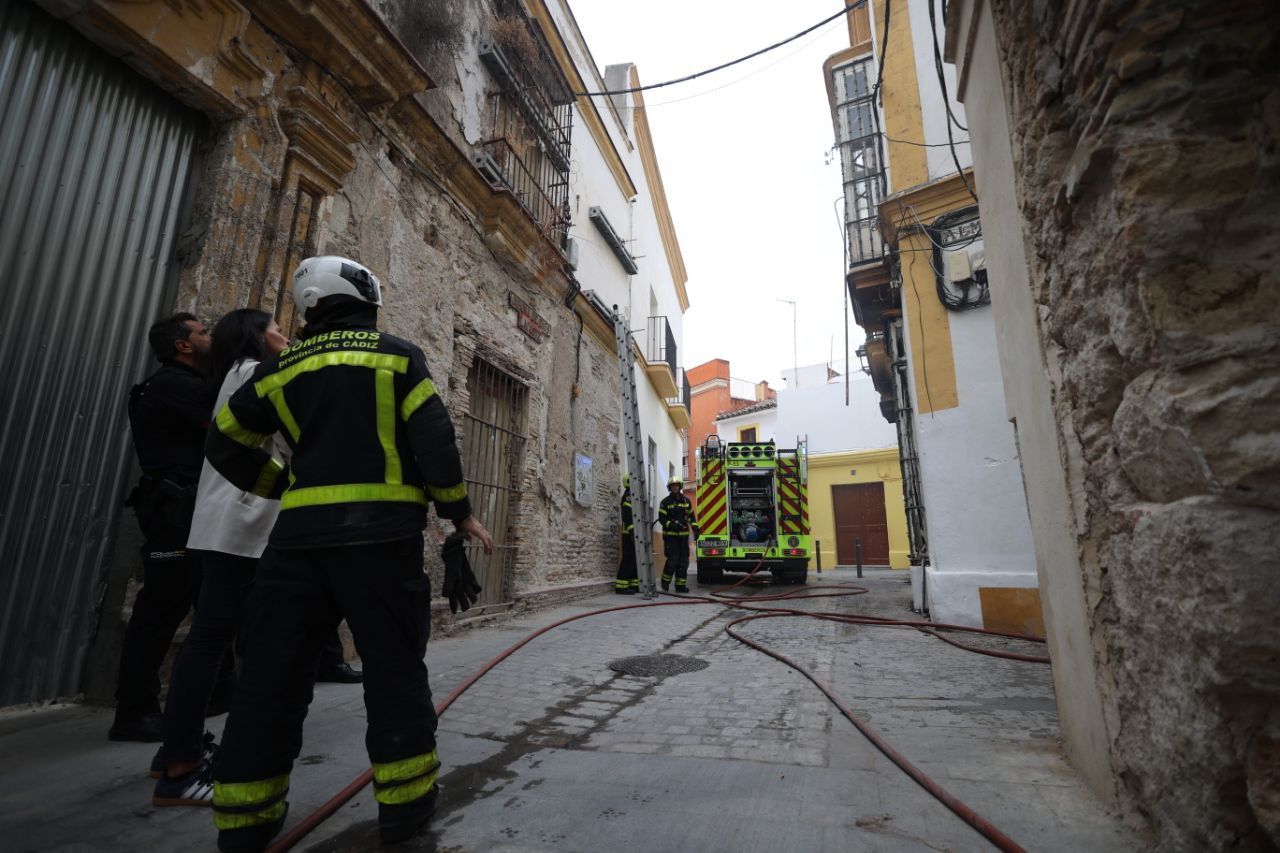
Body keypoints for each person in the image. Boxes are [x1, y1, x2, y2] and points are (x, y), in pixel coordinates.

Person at [203, 256, 493, 851]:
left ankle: (245, 820)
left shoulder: (279, 369)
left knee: (269, 679)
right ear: (365, 301)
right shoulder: (396, 355)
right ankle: (404, 811)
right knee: (393, 674)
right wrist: (456, 513)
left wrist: (279, 486)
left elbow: (224, 438)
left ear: (312, 306)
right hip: (381, 547)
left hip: (296, 548)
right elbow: (433, 438)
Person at [151, 309, 290, 806]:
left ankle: (175, 749)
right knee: (214, 639)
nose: (283, 333)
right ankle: (181, 767)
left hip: (224, 519)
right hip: (242, 521)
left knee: (210, 637)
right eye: (275, 327)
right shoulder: (256, 375)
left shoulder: (232, 375)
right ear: (256, 336)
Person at [110, 313, 214, 742]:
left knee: (201, 604)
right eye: (203, 332)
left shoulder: (184, 385)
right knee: (160, 610)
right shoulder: (175, 385)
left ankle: (213, 693)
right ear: (183, 345)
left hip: (187, 509)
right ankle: (133, 712)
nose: (209, 336)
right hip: (175, 513)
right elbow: (230, 427)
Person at [658, 476, 698, 592]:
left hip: (683, 537)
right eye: (672, 486)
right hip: (671, 537)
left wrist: (695, 529)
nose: (675, 487)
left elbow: (691, 517)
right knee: (673, 560)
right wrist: (671, 524)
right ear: (670, 488)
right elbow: (662, 518)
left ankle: (680, 585)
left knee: (683, 561)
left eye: (676, 485)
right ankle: (665, 582)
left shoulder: (686, 501)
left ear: (680, 487)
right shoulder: (665, 502)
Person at [615, 474, 638, 594]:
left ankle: (634, 584)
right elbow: (627, 515)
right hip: (629, 533)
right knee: (628, 558)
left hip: (633, 533)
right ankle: (621, 585)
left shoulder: (634, 495)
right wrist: (632, 530)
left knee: (634, 559)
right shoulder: (628, 496)